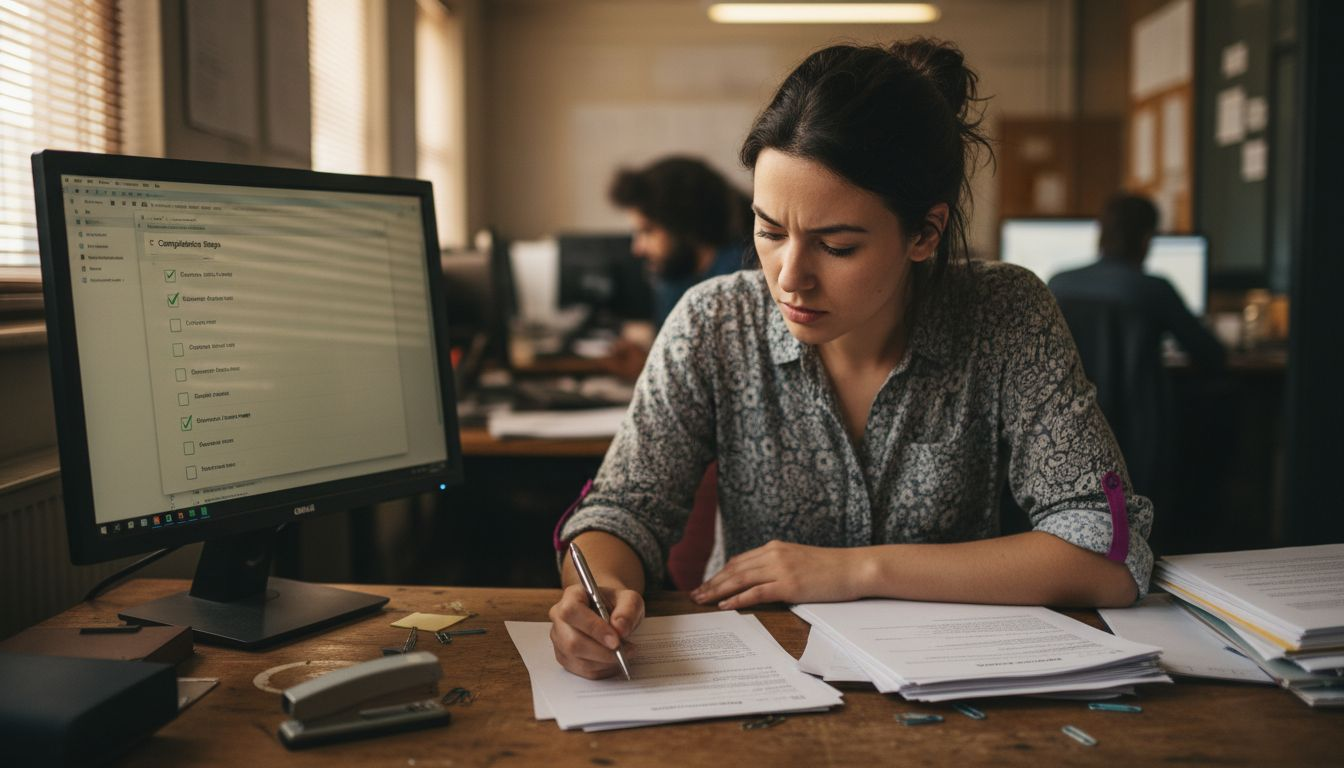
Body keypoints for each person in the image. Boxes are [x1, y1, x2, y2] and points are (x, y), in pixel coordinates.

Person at [550, 38, 1153, 680]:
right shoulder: (713, 322)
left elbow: (1107, 555)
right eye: (769, 231)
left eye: (835, 246)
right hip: (755, 688)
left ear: (924, 233)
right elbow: (623, 510)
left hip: (956, 685)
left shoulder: (1006, 314)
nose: (788, 278)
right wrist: (596, 589)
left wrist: (854, 570)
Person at [1048, 194, 1225, 547]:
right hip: (1140, 433)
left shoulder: (1059, 283)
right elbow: (1211, 355)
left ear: (1100, 233)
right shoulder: (1152, 290)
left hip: (1069, 429)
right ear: (1147, 240)